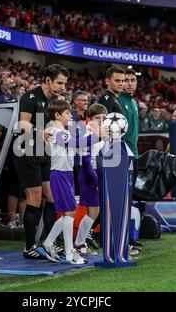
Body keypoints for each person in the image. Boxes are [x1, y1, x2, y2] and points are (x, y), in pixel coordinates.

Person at [13, 64, 69, 259]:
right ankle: (29, 247)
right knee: (35, 199)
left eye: (64, 83)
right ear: (47, 80)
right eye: (59, 83)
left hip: (45, 152)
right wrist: (38, 132)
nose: (63, 87)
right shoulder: (30, 97)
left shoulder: (56, 101)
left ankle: (48, 243)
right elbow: (22, 123)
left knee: (52, 198)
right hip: (26, 151)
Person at [38, 100, 101, 264]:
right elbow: (77, 143)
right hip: (59, 174)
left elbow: (77, 145)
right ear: (58, 115)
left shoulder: (61, 131)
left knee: (70, 212)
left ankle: (48, 243)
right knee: (69, 212)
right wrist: (98, 135)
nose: (70, 115)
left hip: (65, 174)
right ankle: (69, 253)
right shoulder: (55, 131)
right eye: (67, 113)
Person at [74, 103, 109, 256]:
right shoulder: (88, 134)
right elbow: (86, 160)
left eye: (104, 117)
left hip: (97, 173)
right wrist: (95, 180)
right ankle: (79, 244)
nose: (101, 120)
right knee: (92, 212)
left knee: (94, 212)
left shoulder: (103, 134)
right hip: (89, 174)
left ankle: (80, 243)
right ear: (90, 118)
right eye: (97, 117)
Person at [119, 69, 139, 158]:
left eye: (133, 80)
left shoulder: (134, 102)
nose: (130, 84)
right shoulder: (117, 100)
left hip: (134, 150)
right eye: (126, 80)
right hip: (122, 152)